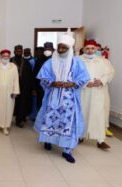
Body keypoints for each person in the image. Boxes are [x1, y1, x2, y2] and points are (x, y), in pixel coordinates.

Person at [34, 32, 90, 163]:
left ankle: (67, 150)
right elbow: (43, 77)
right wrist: (52, 82)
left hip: (69, 100)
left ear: (69, 48)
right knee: (50, 120)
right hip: (53, 97)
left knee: (67, 123)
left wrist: (73, 83)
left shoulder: (77, 63)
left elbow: (84, 78)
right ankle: (47, 141)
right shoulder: (49, 62)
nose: (60, 50)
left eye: (63, 47)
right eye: (59, 47)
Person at [80, 39, 115, 149]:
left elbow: (110, 73)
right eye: (87, 48)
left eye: (92, 48)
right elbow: (74, 74)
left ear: (96, 49)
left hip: (99, 92)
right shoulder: (77, 60)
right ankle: (79, 136)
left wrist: (100, 81)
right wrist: (85, 83)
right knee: (82, 113)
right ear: (84, 49)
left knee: (99, 115)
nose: (90, 51)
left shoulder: (104, 61)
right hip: (83, 92)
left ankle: (101, 140)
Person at [0, 49, 20, 135]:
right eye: (4, 56)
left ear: (9, 57)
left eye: (7, 57)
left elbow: (16, 80)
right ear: (0, 57)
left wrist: (16, 91)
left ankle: (5, 126)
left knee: (8, 109)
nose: (5, 58)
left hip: (9, 92)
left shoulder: (13, 67)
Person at [13, 48, 35, 128]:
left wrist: (32, 88)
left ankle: (20, 120)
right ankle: (10, 118)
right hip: (12, 86)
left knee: (22, 103)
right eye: (17, 51)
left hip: (24, 87)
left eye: (20, 51)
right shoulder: (11, 61)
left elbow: (31, 75)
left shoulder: (26, 62)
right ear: (14, 51)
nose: (19, 52)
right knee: (13, 103)